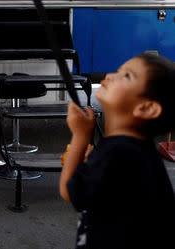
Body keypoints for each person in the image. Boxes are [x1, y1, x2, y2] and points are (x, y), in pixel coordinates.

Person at [59, 53, 175, 249]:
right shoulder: (133, 150)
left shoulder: (120, 153)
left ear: (147, 108)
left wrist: (80, 136)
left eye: (127, 76)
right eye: (118, 71)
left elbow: (69, 191)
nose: (111, 76)